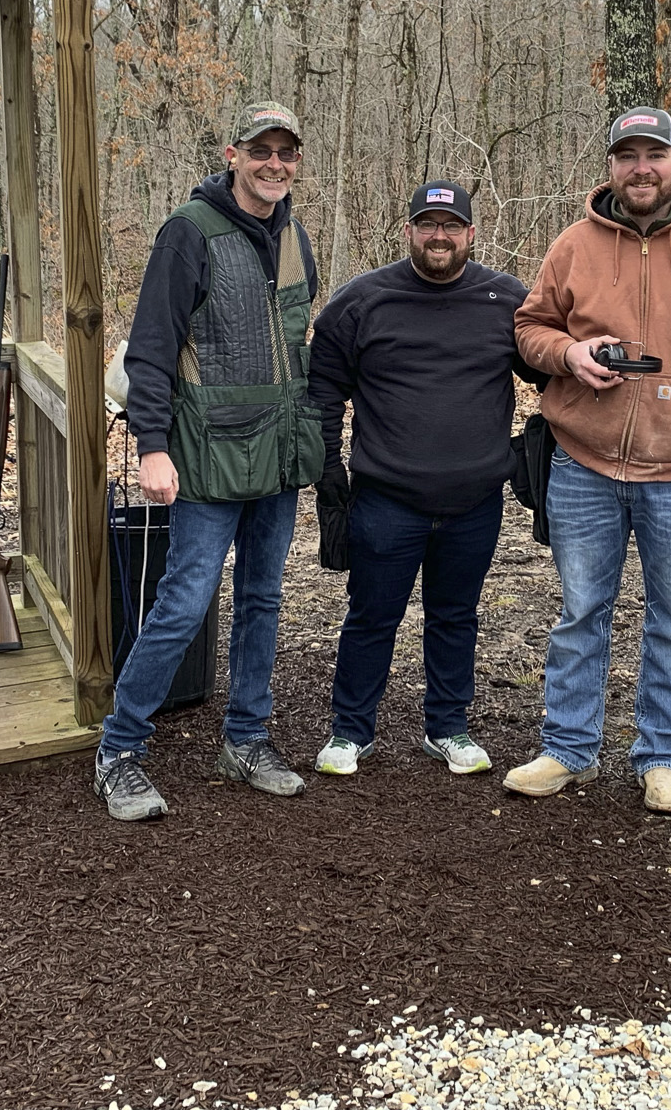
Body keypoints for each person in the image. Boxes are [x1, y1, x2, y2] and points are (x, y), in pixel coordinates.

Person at [505, 106, 671, 815]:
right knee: (580, 612)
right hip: (583, 464)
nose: (641, 168)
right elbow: (530, 328)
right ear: (611, 167)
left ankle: (661, 757)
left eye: (654, 155)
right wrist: (569, 353)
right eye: (627, 155)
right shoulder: (574, 245)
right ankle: (568, 748)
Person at [95, 101, 324, 822]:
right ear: (233, 155)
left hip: (278, 456)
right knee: (184, 602)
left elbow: (296, 345)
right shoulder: (188, 232)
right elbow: (151, 351)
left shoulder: (295, 237)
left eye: (286, 152)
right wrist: (152, 447)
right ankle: (119, 749)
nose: (274, 164)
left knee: (263, 599)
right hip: (205, 457)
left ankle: (246, 739)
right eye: (261, 150)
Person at [306, 181, 537, 778]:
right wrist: (328, 474)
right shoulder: (362, 302)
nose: (440, 236)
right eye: (428, 224)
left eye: (451, 225)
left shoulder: (507, 300)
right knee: (371, 616)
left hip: (476, 499)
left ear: (471, 233)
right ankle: (350, 731)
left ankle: (449, 727)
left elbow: (551, 372)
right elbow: (323, 391)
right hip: (386, 499)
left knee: (455, 616)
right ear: (408, 230)